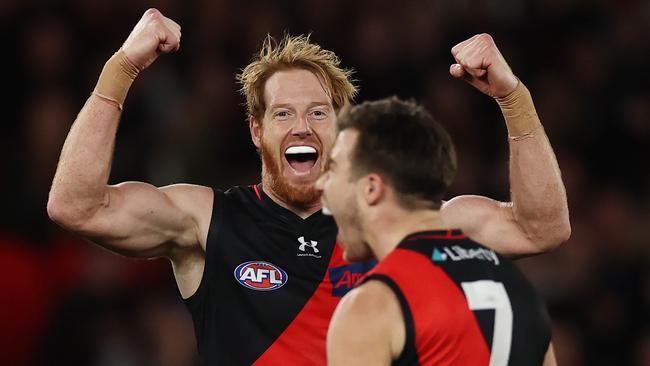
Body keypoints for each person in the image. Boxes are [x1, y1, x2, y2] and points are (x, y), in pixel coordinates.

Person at [47, 8, 569, 365]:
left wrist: (512, 97)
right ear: (257, 130)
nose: (302, 126)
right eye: (284, 114)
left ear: (342, 129)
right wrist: (123, 66)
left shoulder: (400, 221)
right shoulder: (206, 220)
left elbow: (539, 227)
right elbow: (75, 204)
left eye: (319, 112)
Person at [318, 97, 557, 366]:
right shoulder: (518, 288)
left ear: (371, 189)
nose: (321, 184)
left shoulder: (374, 305)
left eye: (334, 169)